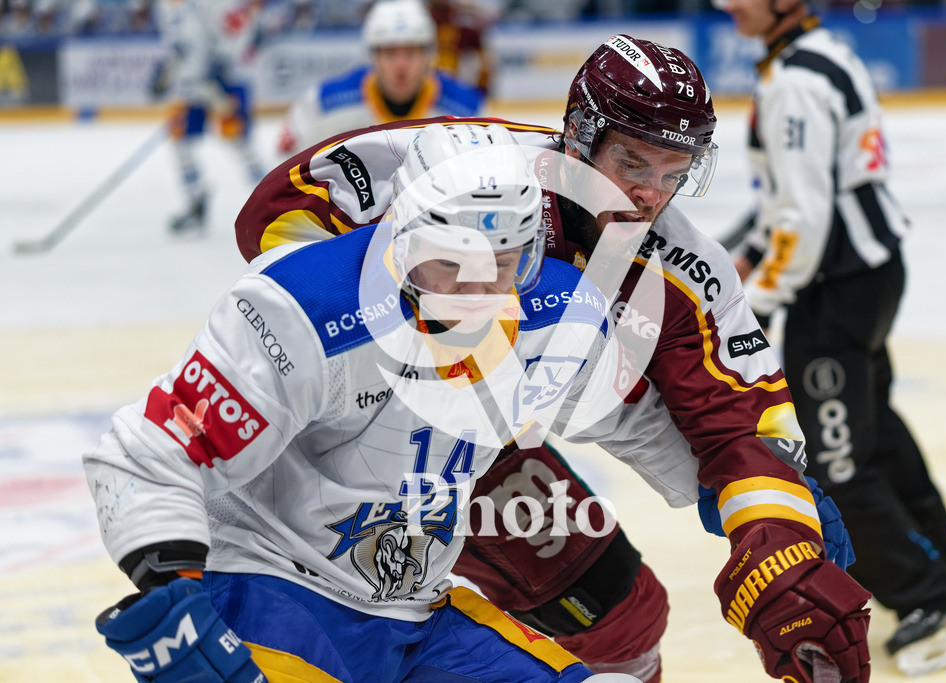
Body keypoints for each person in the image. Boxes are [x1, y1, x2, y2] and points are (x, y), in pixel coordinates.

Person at [235, 35, 872, 682]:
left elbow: (738, 424)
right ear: (579, 137)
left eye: (673, 173)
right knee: (346, 620)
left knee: (622, 616)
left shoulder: (680, 269)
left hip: (488, 435)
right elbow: (275, 215)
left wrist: (778, 534)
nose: (650, 195)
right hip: (363, 418)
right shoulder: (473, 174)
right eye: (632, 163)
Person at [84, 122, 689, 682]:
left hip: (418, 617)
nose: (477, 293)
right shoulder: (302, 306)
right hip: (270, 589)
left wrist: (734, 492)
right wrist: (174, 600)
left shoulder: (557, 314)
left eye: (503, 263)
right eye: (451, 263)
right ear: (401, 235)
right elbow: (146, 453)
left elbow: (634, 421)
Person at [714, 0, 946, 675]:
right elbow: (790, 201)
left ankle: (931, 601)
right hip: (869, 274)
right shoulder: (823, 52)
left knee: (835, 460)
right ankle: (940, 561)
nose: (727, 6)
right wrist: (740, 256)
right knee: (875, 426)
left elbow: (802, 220)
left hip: (832, 289)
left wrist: (759, 302)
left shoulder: (794, 81)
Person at [276, 0, 485, 157]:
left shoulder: (468, 111)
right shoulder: (323, 103)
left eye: (411, 52)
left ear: (428, 55)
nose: (401, 65)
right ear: (373, 56)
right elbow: (284, 169)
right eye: (390, 53)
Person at [153, 0, 266, 234]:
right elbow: (181, 46)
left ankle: (270, 201)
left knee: (240, 143)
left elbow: (238, 30)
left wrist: (222, 64)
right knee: (181, 144)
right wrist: (168, 72)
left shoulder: (216, 4)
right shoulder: (167, 8)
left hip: (221, 82)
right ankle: (195, 199)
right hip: (191, 88)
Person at [428, 0, 496, 98]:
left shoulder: (462, 17)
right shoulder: (419, 15)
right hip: (425, 82)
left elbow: (484, 58)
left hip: (456, 85)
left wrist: (480, 92)